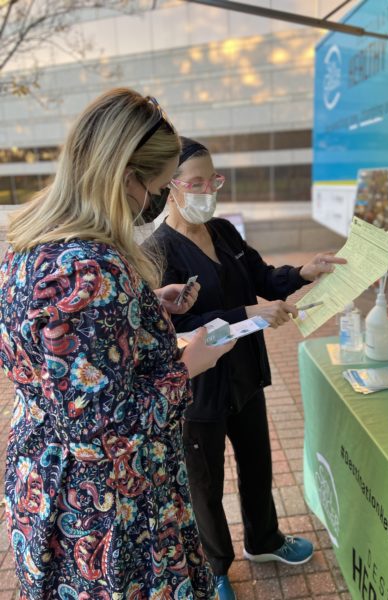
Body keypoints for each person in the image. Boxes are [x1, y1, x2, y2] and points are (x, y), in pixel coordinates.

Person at [0, 90, 236, 599]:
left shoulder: (32, 248)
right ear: (125, 176)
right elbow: (97, 431)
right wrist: (187, 365)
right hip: (109, 511)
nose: (156, 202)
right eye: (157, 186)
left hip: (46, 487)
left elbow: (63, 349)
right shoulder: (91, 270)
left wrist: (143, 306)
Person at [146, 137, 347, 600]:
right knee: (205, 484)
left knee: (258, 465)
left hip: (244, 377)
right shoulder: (158, 252)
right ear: (170, 188)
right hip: (199, 389)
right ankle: (216, 567)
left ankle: (265, 540)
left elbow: (259, 275)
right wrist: (249, 316)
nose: (207, 191)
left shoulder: (224, 232)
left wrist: (301, 273)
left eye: (212, 180)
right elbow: (176, 327)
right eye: (195, 183)